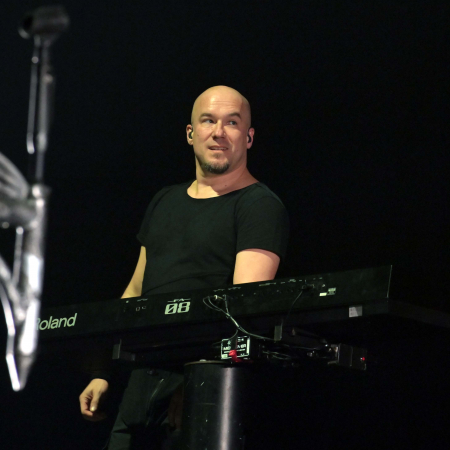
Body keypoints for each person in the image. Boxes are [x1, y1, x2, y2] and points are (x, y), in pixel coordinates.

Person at [78, 86, 290, 449]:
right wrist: (104, 371)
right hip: (141, 386)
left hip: (205, 392)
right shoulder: (165, 200)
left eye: (232, 123)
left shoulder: (259, 206)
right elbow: (135, 293)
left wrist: (199, 383)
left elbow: (244, 312)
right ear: (191, 133)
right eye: (208, 121)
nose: (218, 132)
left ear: (249, 137)